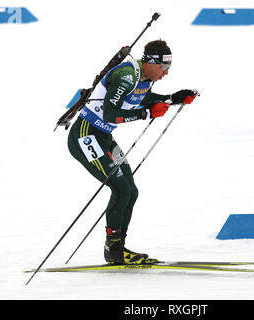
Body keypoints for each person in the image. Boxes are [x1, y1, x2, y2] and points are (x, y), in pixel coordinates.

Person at [67, 40, 197, 265]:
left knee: (131, 190)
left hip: (103, 136)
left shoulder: (144, 78)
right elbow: (110, 114)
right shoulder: (126, 76)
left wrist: (173, 98)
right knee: (121, 189)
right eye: (164, 68)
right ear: (151, 63)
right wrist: (147, 114)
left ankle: (119, 247)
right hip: (85, 135)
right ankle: (114, 250)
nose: (166, 73)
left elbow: (142, 99)